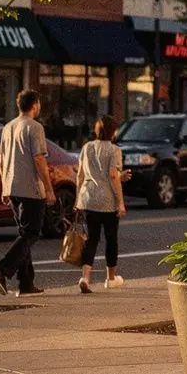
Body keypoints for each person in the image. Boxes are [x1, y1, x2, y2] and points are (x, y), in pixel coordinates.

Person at [0, 89, 55, 298]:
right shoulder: (34, 128)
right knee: (31, 233)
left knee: (24, 234)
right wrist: (49, 189)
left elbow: (1, 160)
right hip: (31, 188)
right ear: (35, 104)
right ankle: (2, 268)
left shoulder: (8, 127)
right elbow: (39, 159)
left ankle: (26, 283)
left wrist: (4, 186)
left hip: (13, 187)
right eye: (39, 103)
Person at [75, 115, 130, 294]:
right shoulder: (114, 150)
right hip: (107, 201)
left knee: (91, 239)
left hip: (88, 197)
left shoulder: (87, 147)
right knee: (111, 239)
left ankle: (85, 277)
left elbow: (81, 175)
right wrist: (121, 202)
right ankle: (110, 278)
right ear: (113, 131)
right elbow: (113, 176)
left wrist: (77, 199)